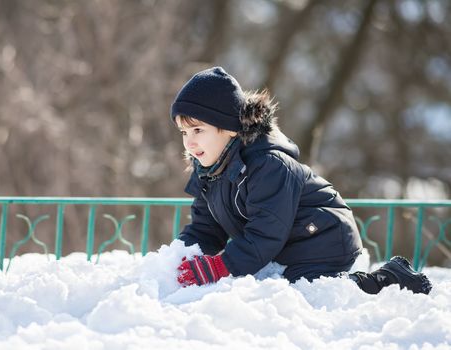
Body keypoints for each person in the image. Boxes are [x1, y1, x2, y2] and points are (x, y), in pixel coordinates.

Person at [170, 66, 432, 295]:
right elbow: (206, 228)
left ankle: (388, 279)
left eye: (198, 130)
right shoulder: (207, 169)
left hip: (323, 239)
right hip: (287, 246)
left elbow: (265, 233)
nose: (189, 142)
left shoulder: (269, 165)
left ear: (228, 129)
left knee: (307, 295)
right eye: (184, 132)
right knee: (276, 289)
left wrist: (221, 266)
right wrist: (178, 258)